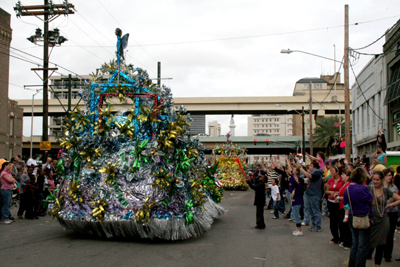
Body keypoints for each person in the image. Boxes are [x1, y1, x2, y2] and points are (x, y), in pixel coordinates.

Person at [366, 171, 400, 267]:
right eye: (374, 179)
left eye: (377, 180)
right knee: (368, 243)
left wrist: (389, 205)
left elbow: (399, 198)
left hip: (383, 220)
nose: (375, 182)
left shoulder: (385, 191)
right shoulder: (368, 188)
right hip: (371, 219)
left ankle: (377, 265)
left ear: (382, 180)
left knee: (381, 244)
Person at [343, 167, 374, 267]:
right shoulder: (363, 188)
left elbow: (345, 202)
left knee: (355, 243)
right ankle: (359, 265)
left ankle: (352, 264)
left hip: (352, 215)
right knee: (362, 245)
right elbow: (371, 201)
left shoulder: (347, 188)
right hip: (362, 216)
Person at [296, 161, 324, 232]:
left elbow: (309, 176)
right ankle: (314, 225)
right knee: (311, 211)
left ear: (314, 167)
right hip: (310, 194)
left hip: (315, 194)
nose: (309, 167)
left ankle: (317, 226)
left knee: (315, 211)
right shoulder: (313, 173)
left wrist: (300, 168)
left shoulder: (317, 173)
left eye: (311, 166)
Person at [325, 166, 345, 244]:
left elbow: (344, 190)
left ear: (337, 172)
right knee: (332, 221)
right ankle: (335, 237)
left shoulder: (342, 180)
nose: (331, 172)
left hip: (339, 202)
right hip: (331, 201)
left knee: (340, 221)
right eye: (331, 171)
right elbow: (327, 191)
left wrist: (337, 193)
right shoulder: (330, 180)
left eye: (333, 171)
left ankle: (342, 238)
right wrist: (330, 192)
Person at [382, 168, 398, 262]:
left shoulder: (393, 187)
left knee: (390, 234)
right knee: (382, 234)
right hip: (382, 213)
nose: (390, 177)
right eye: (388, 175)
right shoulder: (379, 186)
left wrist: (387, 203)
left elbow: (393, 198)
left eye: (391, 175)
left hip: (392, 213)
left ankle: (387, 255)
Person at [287, 157, 304, 236]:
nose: (296, 179)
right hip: (294, 202)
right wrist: (288, 162)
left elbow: (294, 181)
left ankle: (300, 231)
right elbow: (292, 179)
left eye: (297, 179)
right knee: (296, 216)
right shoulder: (295, 186)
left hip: (297, 203)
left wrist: (293, 176)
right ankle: (298, 229)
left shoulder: (299, 187)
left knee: (297, 217)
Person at [336, 169, 352, 250]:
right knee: (342, 225)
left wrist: (338, 197)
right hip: (341, 206)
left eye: (344, 175)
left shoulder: (348, 185)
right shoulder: (344, 184)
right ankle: (344, 240)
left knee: (346, 226)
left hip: (345, 207)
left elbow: (348, 197)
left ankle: (348, 242)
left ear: (348, 177)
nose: (342, 176)